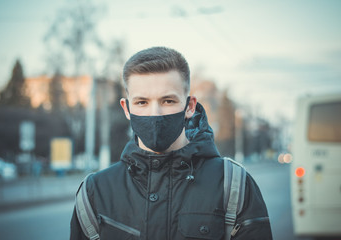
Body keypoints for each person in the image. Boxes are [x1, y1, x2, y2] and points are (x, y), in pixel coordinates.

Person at [70, 46, 273, 240]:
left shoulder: (233, 184)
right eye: (142, 102)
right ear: (126, 108)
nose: (155, 114)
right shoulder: (94, 192)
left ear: (189, 106)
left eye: (168, 101)